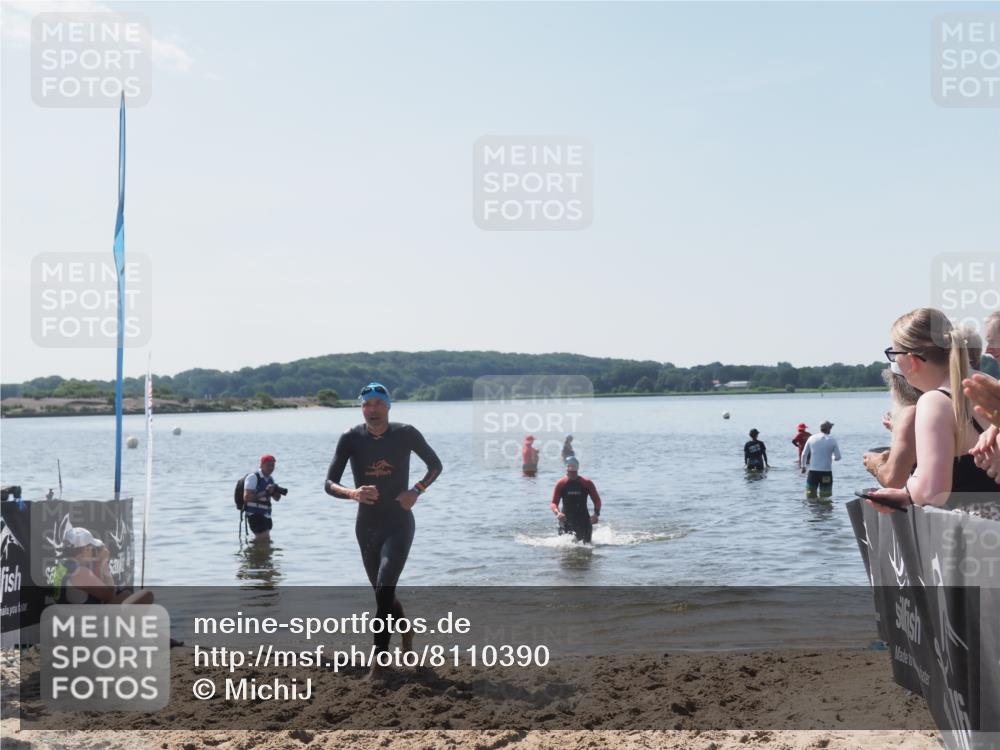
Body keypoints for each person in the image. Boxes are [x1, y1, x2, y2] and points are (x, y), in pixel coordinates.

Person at [325, 382, 442, 675]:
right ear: (361, 408)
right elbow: (328, 484)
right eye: (366, 404)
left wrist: (416, 490)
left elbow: (436, 465)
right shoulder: (350, 438)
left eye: (378, 403)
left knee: (386, 584)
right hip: (366, 526)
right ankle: (406, 631)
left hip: (398, 522)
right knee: (382, 593)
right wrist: (352, 493)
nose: (372, 410)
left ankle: (380, 661)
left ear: (388, 406)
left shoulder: (406, 434)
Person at [869, 309, 999, 519]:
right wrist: (906, 496)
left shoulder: (935, 402)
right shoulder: (989, 382)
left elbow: (933, 493)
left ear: (912, 361)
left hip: (976, 538)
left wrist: (912, 483)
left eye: (894, 355)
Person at [51, 527, 153, 605]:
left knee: (125, 595)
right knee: (145, 595)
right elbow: (109, 596)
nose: (93, 551)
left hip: (67, 618)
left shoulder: (61, 567)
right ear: (85, 550)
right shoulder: (80, 572)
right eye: (91, 548)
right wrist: (103, 563)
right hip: (82, 625)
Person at [863, 367, 921, 489]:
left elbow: (893, 481)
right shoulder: (944, 401)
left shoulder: (912, 412)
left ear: (897, 388)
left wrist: (875, 464)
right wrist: (896, 428)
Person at [550, 456, 602, 544]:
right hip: (565, 521)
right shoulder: (561, 483)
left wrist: (596, 514)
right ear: (566, 469)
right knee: (565, 550)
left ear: (578, 469)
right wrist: (558, 513)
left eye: (574, 471)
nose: (572, 473)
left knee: (587, 548)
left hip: (584, 521)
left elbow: (597, 501)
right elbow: (554, 503)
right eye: (570, 471)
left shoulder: (587, 483)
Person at [243, 454, 283, 542]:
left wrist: (274, 491)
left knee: (264, 540)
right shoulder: (253, 477)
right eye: (268, 465)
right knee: (264, 539)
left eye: (273, 465)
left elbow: (277, 499)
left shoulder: (270, 479)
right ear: (261, 465)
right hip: (255, 515)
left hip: (266, 515)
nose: (271, 467)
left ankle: (252, 554)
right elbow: (247, 497)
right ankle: (254, 554)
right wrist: (266, 492)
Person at [801, 421, 841, 498]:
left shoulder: (811, 438)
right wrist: (831, 457)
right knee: (825, 497)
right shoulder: (832, 440)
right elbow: (838, 457)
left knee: (810, 495)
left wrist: (803, 467)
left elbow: (804, 454)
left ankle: (813, 509)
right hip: (826, 473)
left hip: (813, 473)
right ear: (829, 429)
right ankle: (824, 509)